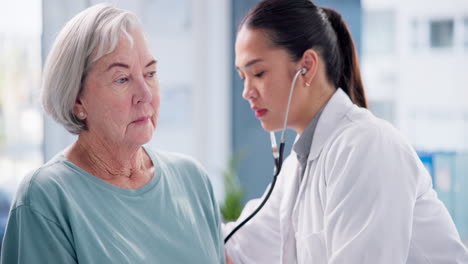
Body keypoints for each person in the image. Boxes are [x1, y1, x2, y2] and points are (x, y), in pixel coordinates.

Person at [223, 0, 468, 263]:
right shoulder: (296, 170)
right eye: (242, 77)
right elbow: (237, 251)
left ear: (306, 66)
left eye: (258, 73)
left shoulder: (366, 147)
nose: (246, 91)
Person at [0, 4, 225, 263]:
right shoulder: (45, 198)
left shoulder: (193, 179)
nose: (146, 95)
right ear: (77, 100)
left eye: (150, 73)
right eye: (122, 79)